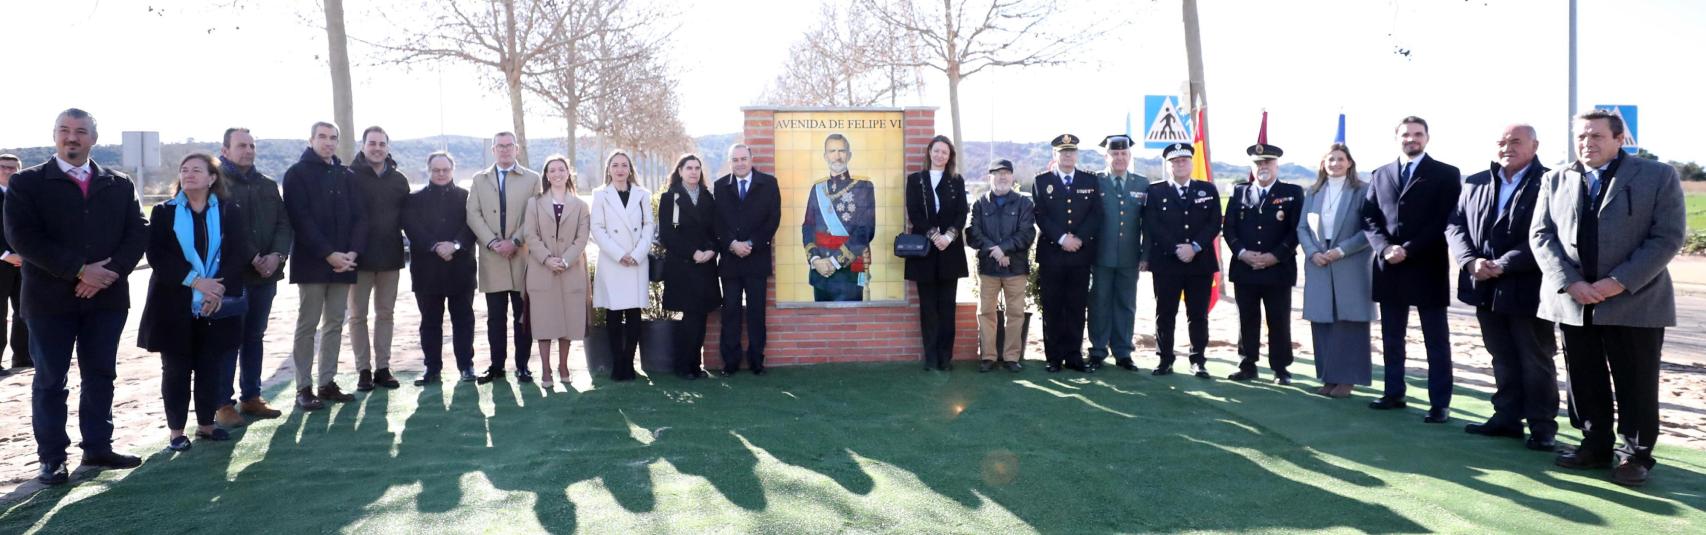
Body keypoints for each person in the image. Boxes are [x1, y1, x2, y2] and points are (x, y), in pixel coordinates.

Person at [1533, 110, 1686, 486]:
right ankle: (1594, 445)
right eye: (1582, 136)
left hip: (1635, 301)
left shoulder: (1657, 176)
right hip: (1575, 301)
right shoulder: (1555, 178)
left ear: (1620, 139)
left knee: (1635, 381)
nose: (1588, 143)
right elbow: (1541, 236)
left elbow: (1667, 237)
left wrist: (1618, 282)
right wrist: (1571, 283)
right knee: (1584, 379)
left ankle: (1635, 456)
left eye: (1597, 136)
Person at [5, 108, 150, 484]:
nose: (73, 137)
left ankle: (98, 448)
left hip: (107, 299)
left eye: (81, 132)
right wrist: (80, 270)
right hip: (48, 302)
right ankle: (52, 458)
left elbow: (137, 232)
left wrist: (110, 272)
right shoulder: (27, 183)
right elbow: (23, 238)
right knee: (51, 380)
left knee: (101, 374)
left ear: (94, 139)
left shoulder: (118, 183)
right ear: (54, 135)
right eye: (65, 131)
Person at [1446, 124, 1557, 450]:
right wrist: (1470, 261)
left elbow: (1550, 233)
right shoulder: (1475, 181)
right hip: (1483, 286)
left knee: (1535, 358)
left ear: (1534, 146)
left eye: (1516, 142)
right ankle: (1506, 418)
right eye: (1502, 142)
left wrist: (1503, 264)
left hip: (1529, 288)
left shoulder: (1550, 181)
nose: (1508, 147)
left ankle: (1542, 426)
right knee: (1501, 356)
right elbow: (1455, 224)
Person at [138, 153, 249, 451]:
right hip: (174, 304)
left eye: (197, 170)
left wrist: (216, 291)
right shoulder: (165, 212)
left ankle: (206, 425)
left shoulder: (229, 211)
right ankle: (176, 432)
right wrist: (197, 282)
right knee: (176, 369)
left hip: (216, 303)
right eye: (184, 169)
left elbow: (238, 254)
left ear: (212, 178)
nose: (189, 174)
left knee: (209, 366)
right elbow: (158, 257)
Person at [1361, 116, 1461, 423]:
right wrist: (1384, 248)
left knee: (1436, 340)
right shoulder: (1380, 174)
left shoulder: (1446, 174)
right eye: (1406, 134)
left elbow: (1446, 218)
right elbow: (1368, 217)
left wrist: (1409, 248)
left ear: (1427, 138)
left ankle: (1440, 403)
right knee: (1392, 337)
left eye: (1418, 134)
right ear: (1397, 138)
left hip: (1427, 265)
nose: (1411, 139)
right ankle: (1394, 393)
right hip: (1389, 266)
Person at [282, 121, 369, 410]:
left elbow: (361, 217)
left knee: (334, 323)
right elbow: (301, 220)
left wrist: (353, 253)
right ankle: (303, 387)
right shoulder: (296, 174)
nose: (328, 142)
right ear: (311, 140)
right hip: (312, 263)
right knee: (308, 325)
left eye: (333, 138)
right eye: (323, 137)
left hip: (346, 263)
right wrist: (328, 254)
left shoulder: (347, 175)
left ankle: (327, 382)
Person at [216, 128, 288, 423]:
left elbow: (284, 223)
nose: (247, 150)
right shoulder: (216, 183)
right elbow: (224, 227)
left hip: (265, 276)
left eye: (252, 146)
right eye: (241, 145)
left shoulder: (268, 185)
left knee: (254, 337)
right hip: (232, 277)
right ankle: (223, 404)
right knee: (227, 340)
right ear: (225, 150)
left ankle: (252, 397)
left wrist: (277, 256)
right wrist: (253, 257)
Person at [1224, 139, 1304, 384]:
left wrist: (1274, 256)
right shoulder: (1240, 192)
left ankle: (1280, 368)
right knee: (1247, 319)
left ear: (1277, 165)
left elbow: (1296, 230)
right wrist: (1242, 253)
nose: (1263, 166)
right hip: (1245, 268)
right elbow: (1229, 228)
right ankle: (1247, 363)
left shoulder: (1291, 193)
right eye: (1258, 162)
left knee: (1278, 319)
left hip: (1277, 269)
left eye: (1268, 161)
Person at [1297, 144, 1373, 399]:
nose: (1336, 163)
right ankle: (1329, 377)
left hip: (1348, 261)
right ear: (1323, 163)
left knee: (1348, 322)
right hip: (1319, 261)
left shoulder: (1362, 191)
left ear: (1349, 163)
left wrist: (1342, 251)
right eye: (1331, 159)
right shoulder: (1314, 191)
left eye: (1341, 159)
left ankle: (1347, 379)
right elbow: (1302, 228)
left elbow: (1370, 230)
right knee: (1323, 321)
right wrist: (1312, 252)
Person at [466, 132, 541, 384]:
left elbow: (535, 214)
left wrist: (515, 241)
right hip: (492, 257)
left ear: (517, 149)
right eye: (500, 146)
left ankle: (522, 366)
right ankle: (497, 365)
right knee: (495, 317)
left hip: (522, 257)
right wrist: (493, 242)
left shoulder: (532, 179)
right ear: (493, 150)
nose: (505, 150)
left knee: (523, 316)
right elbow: (472, 214)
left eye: (510, 146)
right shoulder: (479, 179)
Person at [1143, 142, 1221, 378]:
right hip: (1167, 261)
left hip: (1200, 262)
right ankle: (1165, 359)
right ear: (1168, 165)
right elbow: (1152, 225)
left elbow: (1214, 223)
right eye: (1174, 161)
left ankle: (1198, 360)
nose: (1179, 165)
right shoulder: (1155, 191)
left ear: (1191, 163)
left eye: (1184, 160)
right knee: (1165, 312)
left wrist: (1194, 247)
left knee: (1198, 314)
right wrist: (1176, 249)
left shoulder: (1207, 189)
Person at [403, 152, 479, 385]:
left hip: (461, 270)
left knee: (464, 320)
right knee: (430, 322)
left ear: (452, 170)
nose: (441, 174)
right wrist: (435, 246)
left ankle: (466, 365)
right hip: (427, 272)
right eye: (436, 170)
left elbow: (473, 226)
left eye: (445, 169)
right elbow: (412, 229)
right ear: (429, 171)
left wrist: (454, 245)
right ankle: (432, 368)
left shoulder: (468, 197)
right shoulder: (413, 199)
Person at [347, 126, 410, 391]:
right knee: (357, 316)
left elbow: (409, 217)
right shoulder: (349, 176)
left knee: (385, 314)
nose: (377, 148)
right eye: (372, 143)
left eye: (382, 144)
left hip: (390, 257)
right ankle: (363, 369)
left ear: (387, 147)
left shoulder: (399, 180)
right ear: (363, 146)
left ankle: (383, 368)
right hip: (357, 259)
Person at [1032, 134, 1100, 373]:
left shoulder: (1090, 180)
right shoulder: (1041, 181)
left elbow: (1095, 214)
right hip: (1052, 254)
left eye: (1071, 151)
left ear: (1077, 155)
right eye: (1063, 152)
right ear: (1055, 155)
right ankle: (1053, 357)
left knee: (1076, 306)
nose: (1068, 155)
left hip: (1080, 255)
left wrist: (1078, 239)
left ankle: (1073, 356)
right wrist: (1062, 238)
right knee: (1052, 307)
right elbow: (1040, 215)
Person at [712, 144, 780, 376]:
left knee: (756, 311)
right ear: (730, 162)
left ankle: (756, 360)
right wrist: (731, 244)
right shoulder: (720, 187)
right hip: (730, 260)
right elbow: (717, 222)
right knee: (730, 311)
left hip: (756, 258)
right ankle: (730, 361)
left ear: (751, 159)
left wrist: (751, 244)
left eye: (743, 158)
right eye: (735, 159)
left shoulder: (769, 184)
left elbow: (773, 219)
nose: (740, 163)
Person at [524, 155, 591, 388]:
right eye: (552, 170)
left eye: (561, 169)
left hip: (570, 271)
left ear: (568, 173)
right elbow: (530, 235)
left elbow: (582, 238)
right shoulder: (534, 203)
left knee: (567, 321)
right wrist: (546, 259)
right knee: (544, 322)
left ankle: (564, 366)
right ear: (546, 175)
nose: (557, 173)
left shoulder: (581, 206)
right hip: (542, 270)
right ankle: (545, 369)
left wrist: (565, 260)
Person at [904, 135, 969, 371]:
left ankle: (945, 358)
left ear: (949, 156)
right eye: (937, 150)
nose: (940, 155)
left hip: (950, 252)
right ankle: (930, 358)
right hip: (925, 252)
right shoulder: (915, 181)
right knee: (928, 308)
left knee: (947, 307)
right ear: (929, 152)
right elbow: (914, 213)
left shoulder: (957, 181)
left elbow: (962, 212)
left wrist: (949, 236)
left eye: (945, 152)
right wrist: (934, 236)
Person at [590, 150, 655, 382]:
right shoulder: (600, 195)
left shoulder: (642, 194)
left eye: (624, 165)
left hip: (636, 259)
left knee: (634, 311)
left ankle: (629, 360)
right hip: (612, 260)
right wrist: (619, 254)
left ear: (630, 169)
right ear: (609, 168)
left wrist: (637, 254)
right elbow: (597, 228)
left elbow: (649, 225)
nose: (620, 169)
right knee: (614, 312)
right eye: (615, 165)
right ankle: (618, 362)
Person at [965, 159, 1035, 372]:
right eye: (997, 173)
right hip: (989, 268)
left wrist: (1004, 249)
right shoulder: (979, 203)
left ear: (1012, 177)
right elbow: (972, 233)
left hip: (1015, 268)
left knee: (1015, 313)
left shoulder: (1025, 204)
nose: (1002, 177)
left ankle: (1011, 358)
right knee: (986, 312)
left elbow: (1027, 234)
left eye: (1006, 173)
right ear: (990, 177)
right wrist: (996, 252)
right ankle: (988, 357)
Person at [658, 154, 721, 380]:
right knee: (690, 317)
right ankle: (684, 365)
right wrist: (693, 252)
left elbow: (715, 230)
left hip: (706, 265)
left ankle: (696, 365)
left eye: (697, 168)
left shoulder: (708, 197)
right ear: (680, 171)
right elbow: (667, 234)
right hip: (683, 265)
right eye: (689, 168)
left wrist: (712, 250)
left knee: (701, 316)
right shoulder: (670, 198)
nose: (694, 172)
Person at [1087, 135, 1147, 372]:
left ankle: (1123, 352)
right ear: (1107, 156)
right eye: (1115, 154)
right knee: (1099, 303)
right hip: (1100, 256)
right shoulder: (1095, 182)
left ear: (1129, 156)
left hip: (1129, 257)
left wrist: (1146, 255)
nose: (1119, 158)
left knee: (1126, 304)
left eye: (1124, 154)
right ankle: (1098, 350)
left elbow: (1148, 224)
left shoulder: (1141, 184)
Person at [802, 134, 876, 302]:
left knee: (849, 325)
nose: (837, 156)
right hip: (820, 273)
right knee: (821, 325)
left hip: (849, 273)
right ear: (825, 156)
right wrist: (815, 260)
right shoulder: (817, 188)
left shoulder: (864, 187)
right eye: (832, 151)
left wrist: (834, 262)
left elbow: (866, 231)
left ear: (849, 155)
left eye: (842, 151)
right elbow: (808, 227)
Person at [0, 153, 30, 376]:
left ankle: (22, 356)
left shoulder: (26, 197)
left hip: (26, 263)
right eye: (3, 167)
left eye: (13, 168)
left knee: (25, 311)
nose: (9, 171)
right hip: (1, 262)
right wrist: (4, 254)